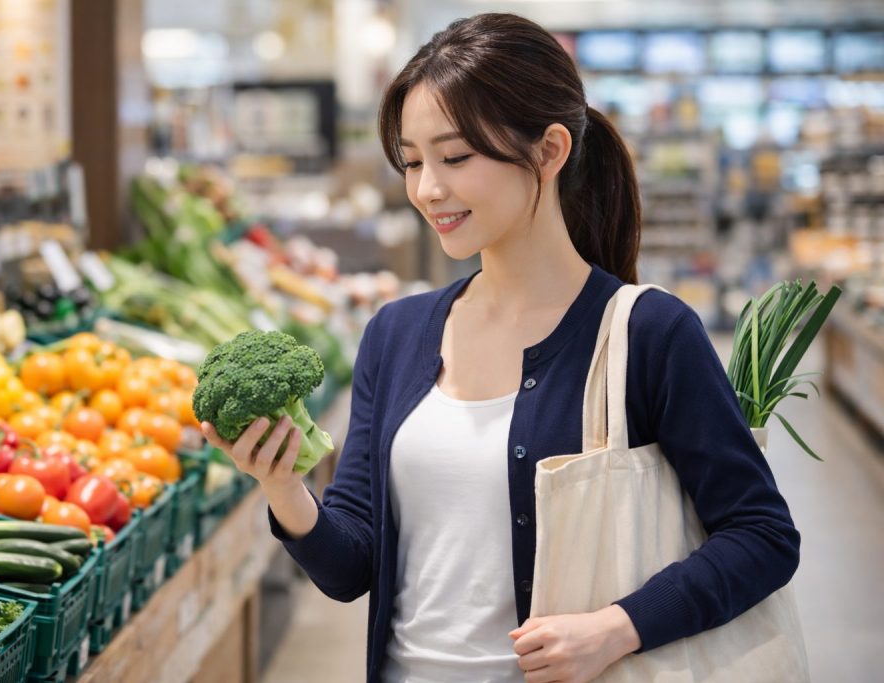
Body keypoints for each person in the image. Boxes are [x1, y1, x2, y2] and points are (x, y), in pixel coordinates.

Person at [200, 13, 800, 683]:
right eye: (413, 161)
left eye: (456, 157)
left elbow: (763, 535)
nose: (428, 189)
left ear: (549, 150)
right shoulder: (395, 334)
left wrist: (617, 627)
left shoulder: (649, 333)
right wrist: (283, 487)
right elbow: (350, 571)